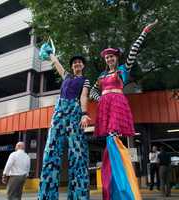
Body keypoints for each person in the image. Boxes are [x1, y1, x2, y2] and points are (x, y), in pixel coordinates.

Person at [90, 20, 158, 200]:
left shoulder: (122, 70)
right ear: (105, 60)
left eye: (112, 56)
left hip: (118, 104)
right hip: (106, 105)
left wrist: (144, 32)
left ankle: (121, 183)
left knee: (113, 135)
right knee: (109, 138)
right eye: (107, 57)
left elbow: (134, 52)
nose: (109, 59)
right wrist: (101, 99)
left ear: (116, 58)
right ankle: (114, 181)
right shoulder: (101, 76)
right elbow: (92, 92)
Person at [38, 43, 91, 200]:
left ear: (83, 66)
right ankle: (47, 195)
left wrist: (84, 113)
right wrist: (50, 53)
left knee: (78, 152)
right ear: (72, 66)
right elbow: (57, 64)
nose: (77, 64)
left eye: (80, 62)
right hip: (59, 110)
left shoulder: (85, 80)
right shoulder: (67, 76)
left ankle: (78, 195)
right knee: (51, 149)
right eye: (75, 62)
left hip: (74, 111)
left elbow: (83, 96)